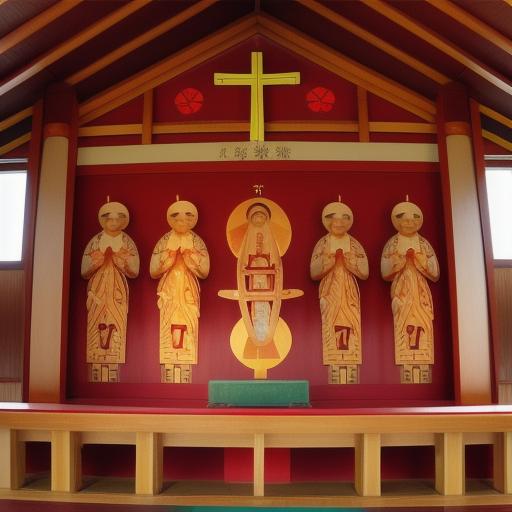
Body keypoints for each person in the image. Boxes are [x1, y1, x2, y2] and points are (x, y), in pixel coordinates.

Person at [150, 199, 209, 383]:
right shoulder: (165, 241)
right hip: (169, 289)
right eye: (178, 220)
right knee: (169, 324)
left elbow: (205, 270)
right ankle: (170, 365)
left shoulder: (196, 241)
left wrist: (190, 255)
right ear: (172, 220)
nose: (182, 223)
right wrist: (169, 256)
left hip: (188, 288)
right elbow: (153, 270)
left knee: (188, 323)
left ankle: (184, 366)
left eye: (186, 219)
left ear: (192, 221)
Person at [380, 200, 439, 384]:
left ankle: (421, 363)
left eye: (413, 220)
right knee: (403, 319)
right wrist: (402, 259)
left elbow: (435, 272)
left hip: (420, 289)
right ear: (397, 222)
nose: (409, 224)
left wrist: (418, 258)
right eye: (404, 220)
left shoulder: (423, 244)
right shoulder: (393, 243)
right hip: (402, 288)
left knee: (422, 320)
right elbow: (385, 272)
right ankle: (408, 364)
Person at [310, 201, 369, 384]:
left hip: (349, 289)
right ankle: (336, 363)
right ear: (328, 223)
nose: (339, 224)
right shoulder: (323, 243)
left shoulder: (354, 244)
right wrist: (331, 258)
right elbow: (314, 271)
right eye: (335, 221)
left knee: (350, 322)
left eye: (343, 220)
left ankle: (349, 366)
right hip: (330, 289)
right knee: (331, 321)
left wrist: (348, 259)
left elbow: (365, 272)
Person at [81, 201, 140, 382]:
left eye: (117, 219)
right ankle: (99, 362)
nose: (113, 223)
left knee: (116, 321)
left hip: (117, 288)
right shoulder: (96, 241)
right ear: (103, 221)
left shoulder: (127, 242)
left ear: (123, 221)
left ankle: (112, 362)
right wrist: (98, 260)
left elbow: (134, 270)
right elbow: (84, 270)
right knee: (97, 323)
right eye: (109, 219)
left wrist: (119, 259)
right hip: (98, 288)